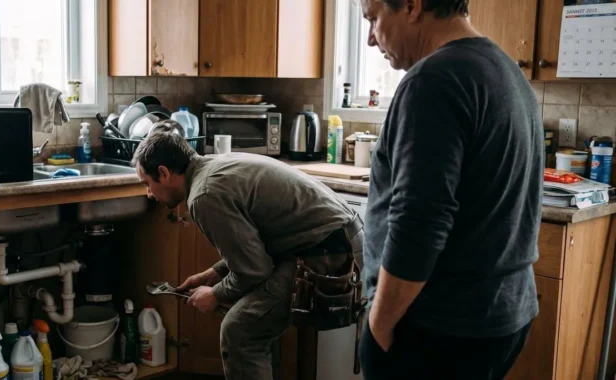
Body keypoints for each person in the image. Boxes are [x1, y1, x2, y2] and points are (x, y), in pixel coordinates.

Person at [358, 0, 543, 379]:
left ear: (411, 5)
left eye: (374, 18)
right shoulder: (504, 69)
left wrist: (378, 325)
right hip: (501, 315)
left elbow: (419, 223)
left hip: (438, 328)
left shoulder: (433, 80)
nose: (370, 39)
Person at [131, 131, 362, 380]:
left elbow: (254, 270)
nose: (149, 194)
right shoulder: (214, 167)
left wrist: (216, 294)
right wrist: (216, 272)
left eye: (148, 184)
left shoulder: (204, 196)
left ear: (164, 173)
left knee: (240, 330)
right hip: (331, 240)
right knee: (253, 321)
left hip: (328, 251)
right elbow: (254, 247)